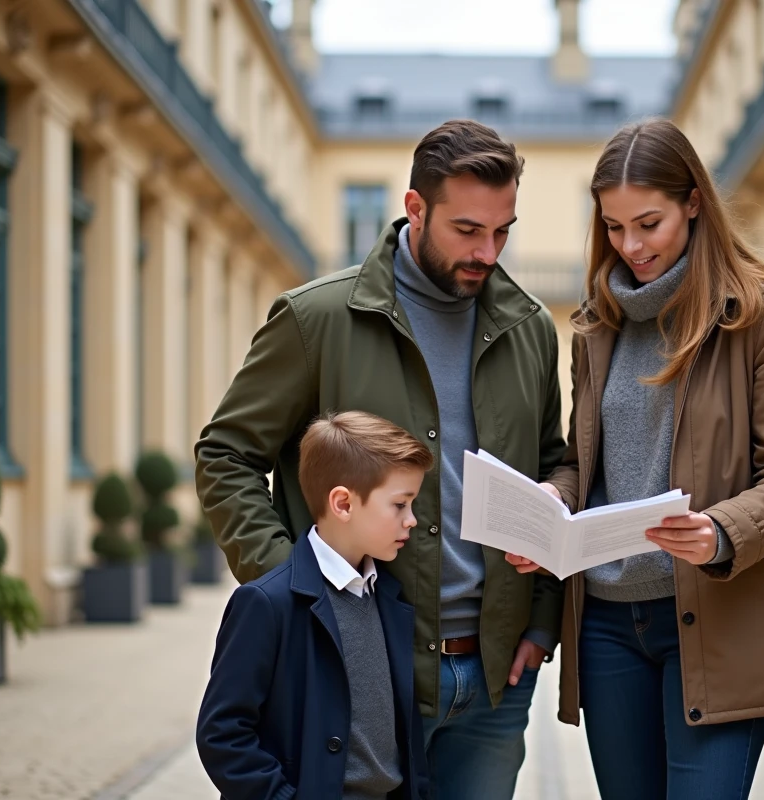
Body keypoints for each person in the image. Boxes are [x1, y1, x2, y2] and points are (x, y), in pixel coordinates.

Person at [195, 119, 566, 799]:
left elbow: (552, 465)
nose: (489, 251)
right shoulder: (318, 319)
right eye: (467, 230)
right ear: (414, 208)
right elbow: (225, 455)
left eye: (503, 230)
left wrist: (541, 619)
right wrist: (300, 594)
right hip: (364, 667)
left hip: (496, 682)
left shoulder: (531, 328)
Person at [511, 118, 764, 800]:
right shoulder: (596, 325)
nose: (630, 246)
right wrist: (555, 498)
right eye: (612, 227)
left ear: (694, 202)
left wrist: (720, 530)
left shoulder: (763, 314)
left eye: (649, 223)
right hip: (606, 625)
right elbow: (584, 460)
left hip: (722, 617)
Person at [197, 411, 432, 799]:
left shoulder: (388, 598)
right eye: (400, 505)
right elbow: (223, 734)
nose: (412, 520)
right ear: (343, 503)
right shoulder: (265, 604)